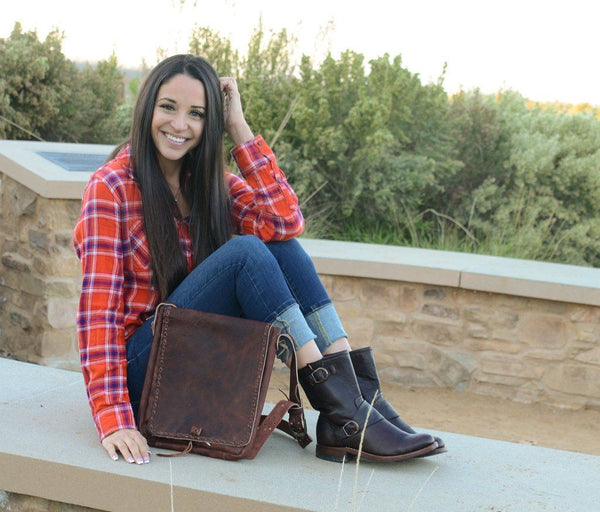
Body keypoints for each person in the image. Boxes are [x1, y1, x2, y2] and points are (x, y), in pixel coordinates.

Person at [74, 54, 445, 465]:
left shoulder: (211, 186)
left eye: (196, 114)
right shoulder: (110, 188)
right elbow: (99, 313)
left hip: (189, 357)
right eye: (168, 107)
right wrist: (113, 418)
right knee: (245, 252)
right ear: (147, 108)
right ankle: (342, 410)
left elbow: (285, 220)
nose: (180, 125)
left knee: (278, 246)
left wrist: (238, 126)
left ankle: (358, 398)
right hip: (141, 372)